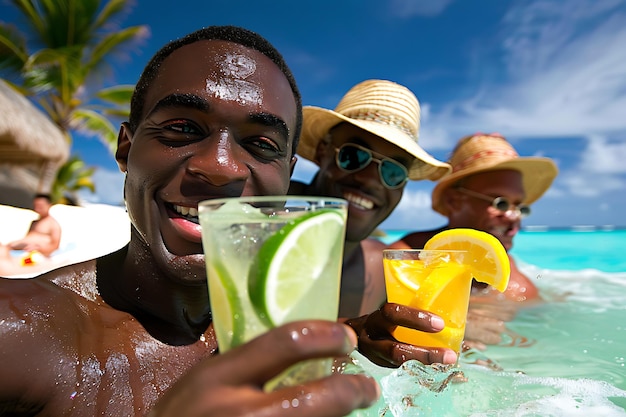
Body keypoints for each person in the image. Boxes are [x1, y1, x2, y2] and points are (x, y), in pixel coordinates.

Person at [0, 26, 455, 417]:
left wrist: (345, 348)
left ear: (288, 174)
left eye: (260, 144)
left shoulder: (284, 327)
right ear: (125, 147)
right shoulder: (20, 331)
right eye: (183, 127)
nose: (221, 167)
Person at [289, 79, 451, 318]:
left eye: (393, 172)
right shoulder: (256, 219)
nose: (370, 179)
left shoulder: (385, 272)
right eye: (354, 156)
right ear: (323, 151)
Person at [390, 133, 558, 303]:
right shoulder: (405, 259)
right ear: (453, 201)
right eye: (500, 203)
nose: (512, 216)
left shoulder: (513, 277)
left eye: (519, 206)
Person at [0, 194, 62, 275]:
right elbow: (28, 238)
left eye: (41, 206)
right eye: (36, 205)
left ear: (49, 205)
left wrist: (39, 248)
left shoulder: (53, 224)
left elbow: (55, 246)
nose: (37, 208)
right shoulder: (34, 222)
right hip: (20, 251)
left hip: (36, 255)